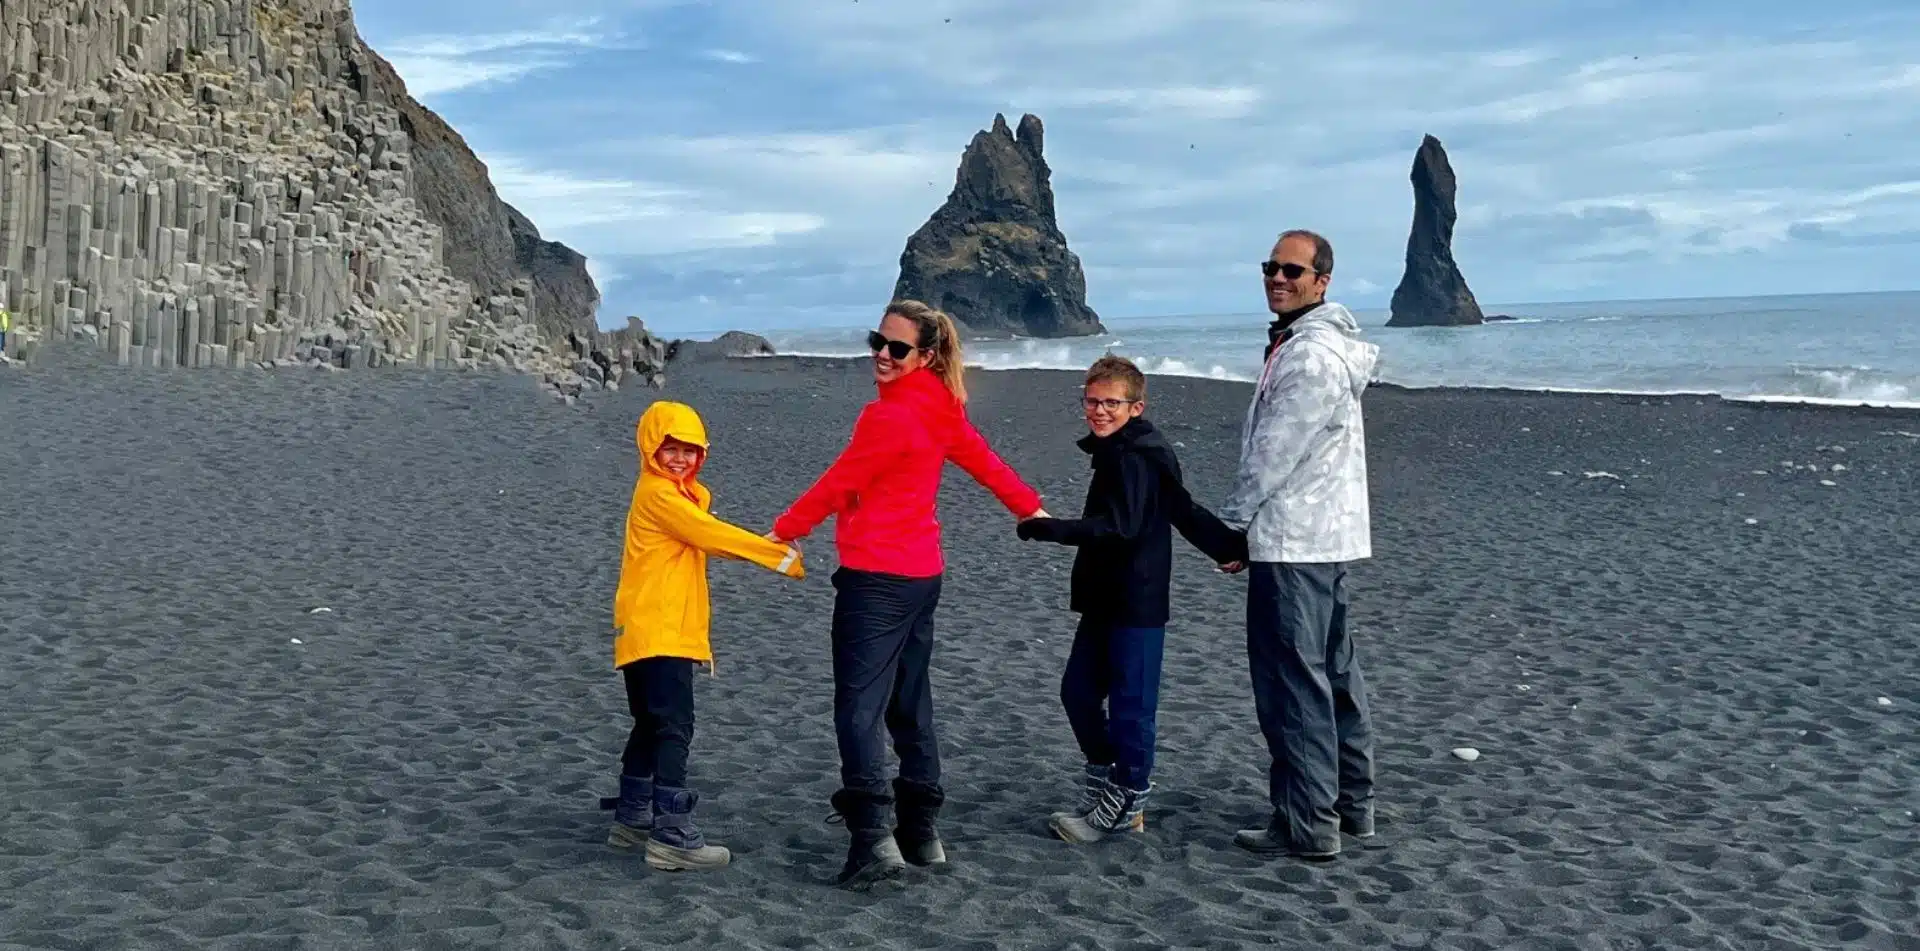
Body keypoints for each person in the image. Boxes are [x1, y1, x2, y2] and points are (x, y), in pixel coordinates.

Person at [768, 299, 1049, 888]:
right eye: (878, 341)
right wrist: (1029, 508)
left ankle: (874, 840)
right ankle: (921, 832)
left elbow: (842, 481)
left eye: (897, 348)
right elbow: (986, 463)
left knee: (860, 709)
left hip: (878, 580)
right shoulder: (940, 406)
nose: (883, 355)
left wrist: (786, 530)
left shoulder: (888, 417)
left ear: (926, 355)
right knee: (909, 702)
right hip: (923, 578)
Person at [1015, 355, 1246, 844]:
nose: (1099, 411)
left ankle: (1127, 801)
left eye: (1111, 403)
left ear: (1136, 406)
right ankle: (1109, 787)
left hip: (1136, 600)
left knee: (1131, 707)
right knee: (1077, 693)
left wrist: (1050, 529)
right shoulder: (1124, 450)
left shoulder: (1138, 455)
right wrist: (1227, 547)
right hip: (1105, 597)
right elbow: (1181, 507)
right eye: (1092, 402)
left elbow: (1120, 527)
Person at [1216, 229, 1381, 860]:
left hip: (1295, 542)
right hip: (1327, 536)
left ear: (1321, 281)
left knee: (1295, 685)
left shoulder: (1310, 357)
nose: (1277, 278)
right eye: (1270, 267)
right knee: (1334, 675)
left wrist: (1233, 526)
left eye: (1292, 270)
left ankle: (1310, 824)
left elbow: (1271, 456)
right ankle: (1352, 807)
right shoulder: (1314, 347)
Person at [603, 400, 806, 872]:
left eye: (689, 450)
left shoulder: (668, 495)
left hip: (642, 628)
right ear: (650, 449)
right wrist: (779, 555)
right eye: (669, 448)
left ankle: (633, 816)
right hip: (661, 628)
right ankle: (672, 833)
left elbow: (701, 526)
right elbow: (710, 534)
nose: (679, 458)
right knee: (674, 725)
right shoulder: (660, 496)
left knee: (650, 724)